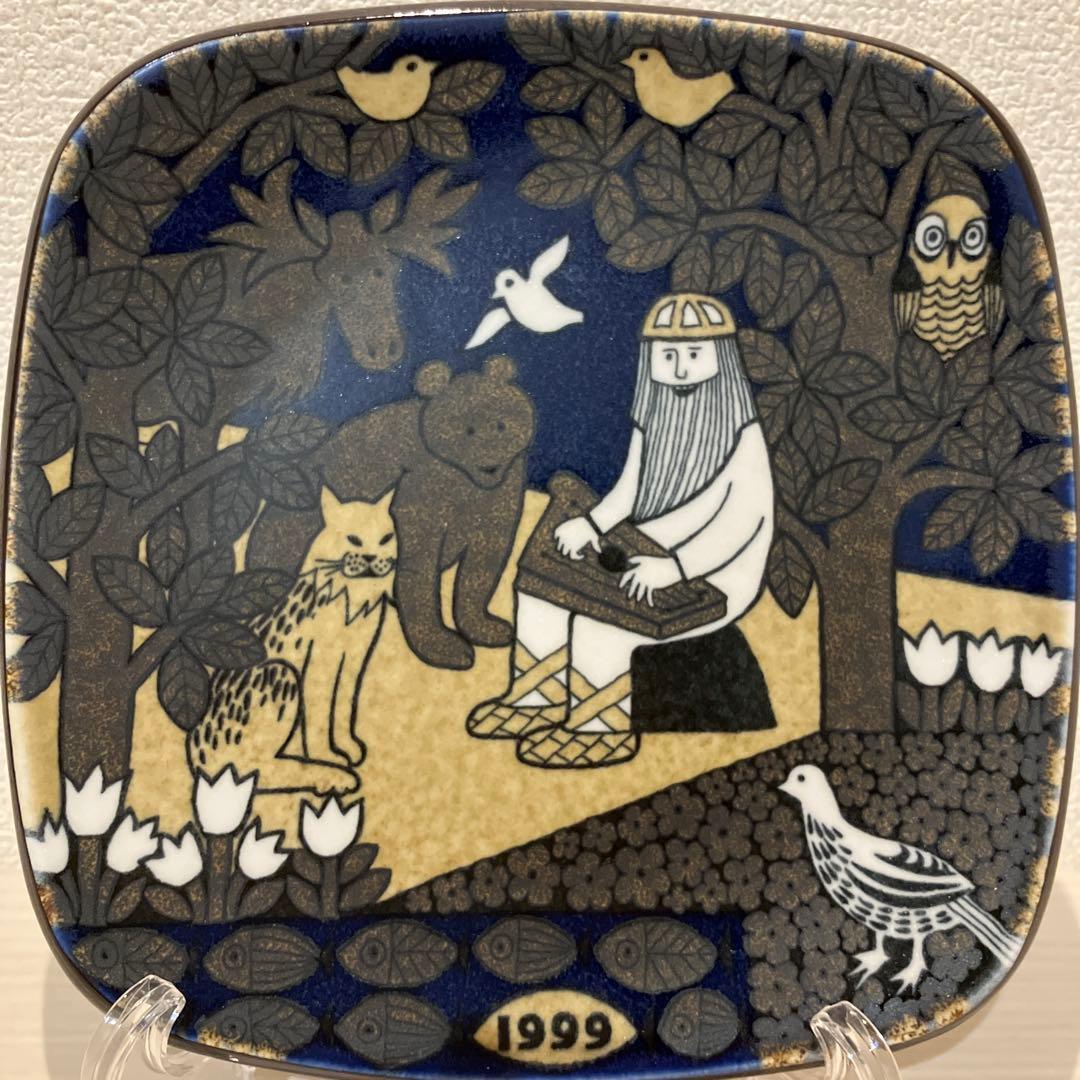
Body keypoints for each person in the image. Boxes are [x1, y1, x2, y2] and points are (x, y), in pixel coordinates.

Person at [468, 293, 776, 768]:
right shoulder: (652, 422)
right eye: (668, 357)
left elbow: (742, 522)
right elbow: (629, 491)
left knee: (600, 621)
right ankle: (537, 698)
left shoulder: (742, 437)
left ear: (722, 359)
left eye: (694, 355)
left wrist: (675, 568)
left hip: (713, 575)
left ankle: (600, 728)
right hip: (646, 546)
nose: (680, 370)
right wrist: (590, 524)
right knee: (541, 589)